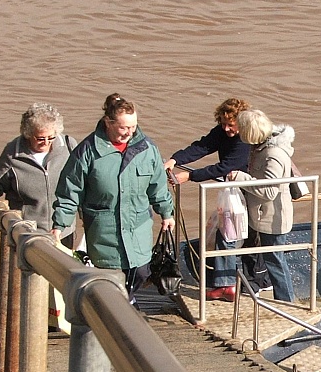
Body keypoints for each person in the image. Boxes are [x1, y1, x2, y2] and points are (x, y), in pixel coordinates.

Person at [51, 94, 175, 306]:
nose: (130, 132)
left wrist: (166, 213)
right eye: (124, 128)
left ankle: (127, 303)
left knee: (142, 272)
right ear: (108, 123)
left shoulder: (147, 149)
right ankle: (119, 314)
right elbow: (70, 191)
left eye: (133, 127)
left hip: (138, 228)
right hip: (104, 232)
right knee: (109, 279)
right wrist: (59, 225)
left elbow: (158, 185)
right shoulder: (87, 151)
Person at [164, 98, 268, 296]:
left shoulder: (244, 139)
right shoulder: (222, 132)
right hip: (234, 188)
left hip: (249, 189)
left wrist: (190, 176)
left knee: (238, 233)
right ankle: (229, 283)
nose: (227, 128)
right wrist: (175, 159)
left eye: (231, 125)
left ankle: (249, 281)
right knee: (229, 231)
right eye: (223, 123)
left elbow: (226, 166)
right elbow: (203, 146)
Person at [218, 109, 296, 302]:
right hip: (261, 215)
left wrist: (241, 178)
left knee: (275, 262)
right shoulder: (260, 147)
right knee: (272, 260)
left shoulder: (273, 154)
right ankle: (281, 298)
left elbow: (270, 191)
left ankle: (287, 303)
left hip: (272, 218)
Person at [0, 103, 78, 242]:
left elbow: (80, 182)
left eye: (51, 137)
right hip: (27, 232)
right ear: (27, 133)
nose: (46, 142)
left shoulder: (69, 146)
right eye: (40, 138)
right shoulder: (13, 153)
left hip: (63, 231)